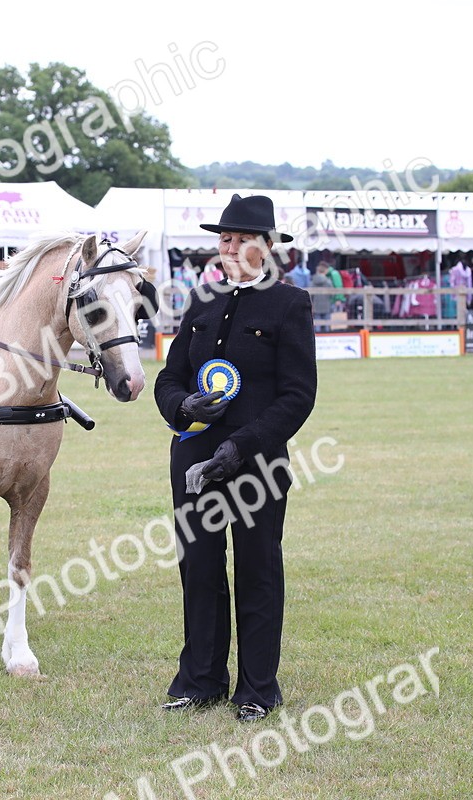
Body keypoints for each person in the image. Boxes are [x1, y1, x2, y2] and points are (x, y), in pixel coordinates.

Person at [154, 194, 317, 722]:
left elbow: (298, 395)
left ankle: (257, 689)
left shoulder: (290, 304)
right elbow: (168, 377)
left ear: (267, 247)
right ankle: (200, 680)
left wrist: (241, 445)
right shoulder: (201, 301)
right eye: (224, 240)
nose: (229, 249)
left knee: (258, 572)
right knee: (198, 568)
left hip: (257, 465)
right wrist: (182, 405)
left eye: (241, 240)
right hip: (194, 463)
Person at [310, 262, 333, 329]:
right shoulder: (328, 281)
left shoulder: (313, 281)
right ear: (325, 270)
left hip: (316, 305)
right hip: (326, 305)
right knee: (327, 325)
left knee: (317, 325)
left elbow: (310, 294)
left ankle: (317, 337)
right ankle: (327, 338)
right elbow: (332, 293)